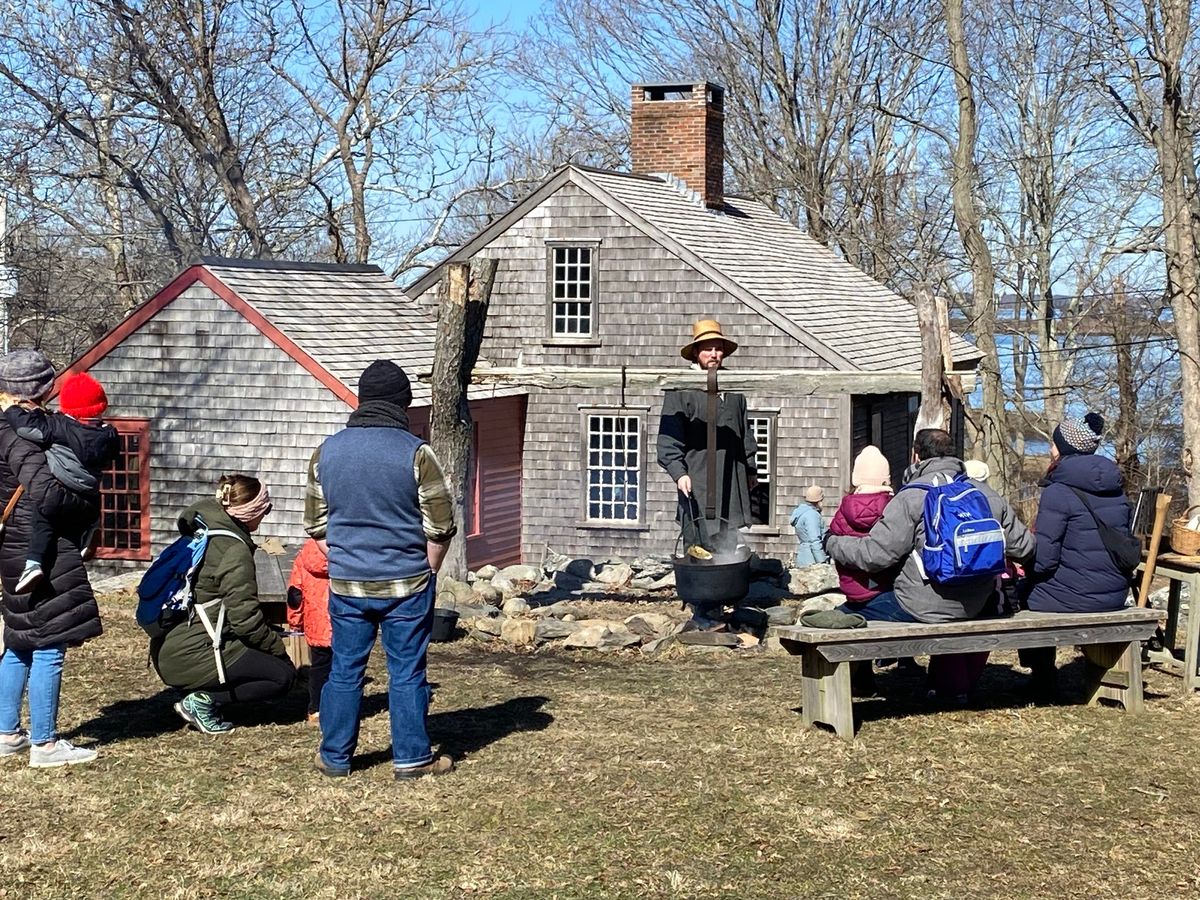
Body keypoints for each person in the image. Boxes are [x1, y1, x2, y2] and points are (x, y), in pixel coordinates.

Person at [305, 359, 456, 780]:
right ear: (403, 403)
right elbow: (441, 525)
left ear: (362, 399)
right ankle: (411, 759)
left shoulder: (326, 451)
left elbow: (317, 528)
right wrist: (429, 570)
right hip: (406, 582)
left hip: (348, 584)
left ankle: (335, 757)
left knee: (344, 669)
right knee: (406, 670)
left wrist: (345, 561)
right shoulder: (416, 453)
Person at [825, 428, 1035, 702]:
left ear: (916, 456)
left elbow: (874, 556)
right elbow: (1025, 547)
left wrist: (833, 543)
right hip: (978, 602)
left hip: (921, 605)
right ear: (954, 455)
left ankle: (855, 686)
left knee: (846, 612)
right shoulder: (985, 494)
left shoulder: (911, 497)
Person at [0, 349, 102, 767]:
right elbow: (45, 492)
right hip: (40, 546)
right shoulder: (21, 434)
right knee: (49, 644)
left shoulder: (5, 424)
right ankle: (44, 744)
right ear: (43, 389)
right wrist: (85, 502)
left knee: (20, 640)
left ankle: (7, 733)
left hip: (12, 543)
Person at [151, 474, 295, 734]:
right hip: (194, 652)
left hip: (170, 645)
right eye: (265, 510)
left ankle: (201, 688)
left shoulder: (203, 532)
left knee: (262, 651)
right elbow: (245, 620)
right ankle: (203, 701)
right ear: (251, 512)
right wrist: (279, 649)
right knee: (281, 675)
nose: (265, 517)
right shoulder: (233, 549)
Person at [1018, 413, 1134, 691]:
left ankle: (1042, 676)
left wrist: (1024, 569)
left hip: (1076, 596)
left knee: (1021, 594)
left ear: (1064, 449)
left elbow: (1044, 561)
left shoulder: (1058, 491)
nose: (1050, 449)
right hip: (1115, 594)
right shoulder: (1115, 488)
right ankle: (1090, 668)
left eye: (1054, 444)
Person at [3, 371, 120, 593]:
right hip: (89, 490)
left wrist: (10, 407)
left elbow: (27, 428)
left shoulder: (59, 427)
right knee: (87, 513)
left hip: (63, 484)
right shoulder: (109, 434)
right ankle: (88, 536)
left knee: (43, 521)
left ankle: (33, 564)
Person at [657, 319, 758, 559]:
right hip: (698, 475)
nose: (714, 354)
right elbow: (669, 438)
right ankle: (698, 593)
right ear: (695, 353)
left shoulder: (734, 389)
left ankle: (725, 589)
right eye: (707, 348)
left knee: (727, 540)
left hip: (731, 476)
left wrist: (750, 469)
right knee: (697, 539)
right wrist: (679, 473)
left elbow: (745, 432)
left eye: (718, 348)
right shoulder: (681, 390)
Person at [828, 447, 892, 603]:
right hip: (885, 586)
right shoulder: (893, 507)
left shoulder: (843, 509)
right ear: (886, 478)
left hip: (852, 588)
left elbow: (833, 536)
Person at [287, 537, 331, 725]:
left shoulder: (305, 553)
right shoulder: (350, 550)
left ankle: (316, 710)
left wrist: (295, 621)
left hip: (317, 622)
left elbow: (295, 593)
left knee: (319, 668)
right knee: (345, 669)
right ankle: (341, 708)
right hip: (346, 621)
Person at [790, 486, 830, 568]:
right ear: (819, 500)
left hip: (803, 557)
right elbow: (814, 540)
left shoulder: (802, 512)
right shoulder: (812, 515)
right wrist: (822, 562)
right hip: (812, 561)